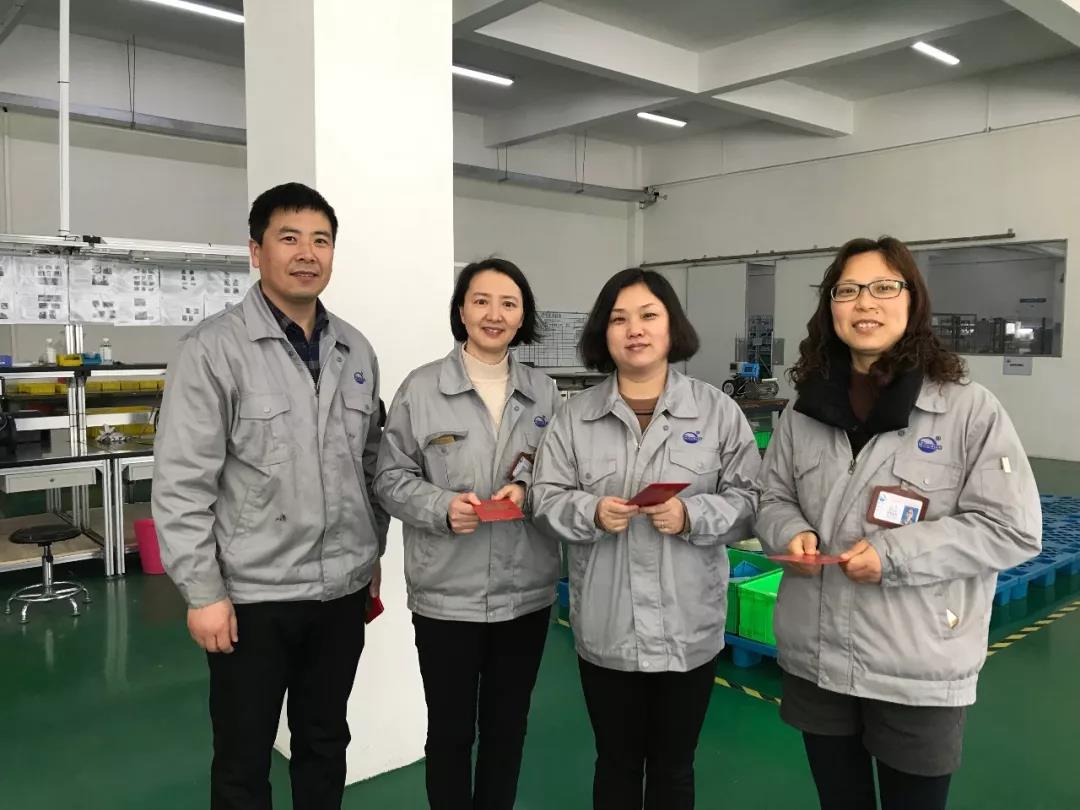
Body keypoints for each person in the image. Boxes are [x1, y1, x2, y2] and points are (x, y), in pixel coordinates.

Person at [756, 236, 1042, 810]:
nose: (865, 302)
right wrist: (789, 532)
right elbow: (772, 497)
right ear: (830, 308)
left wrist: (894, 556)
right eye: (848, 290)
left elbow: (1012, 528)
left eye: (884, 287)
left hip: (916, 666)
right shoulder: (805, 410)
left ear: (913, 301)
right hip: (818, 658)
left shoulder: (968, 410)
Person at [152, 182, 389, 810]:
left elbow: (371, 466)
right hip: (252, 597)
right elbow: (181, 483)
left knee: (325, 742)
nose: (307, 253)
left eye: (321, 240)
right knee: (243, 757)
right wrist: (203, 594)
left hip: (340, 593)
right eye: (289, 238)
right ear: (256, 252)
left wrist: (371, 555)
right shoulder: (213, 350)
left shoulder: (356, 350)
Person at [530, 268, 760, 810]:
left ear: (671, 326)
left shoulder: (717, 412)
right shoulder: (574, 417)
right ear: (603, 333)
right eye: (619, 318)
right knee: (615, 764)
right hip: (608, 629)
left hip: (688, 628)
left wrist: (691, 515)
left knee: (674, 769)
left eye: (648, 315)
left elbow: (753, 501)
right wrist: (589, 511)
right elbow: (543, 500)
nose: (634, 329)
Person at [373, 258, 560, 810]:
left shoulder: (545, 393)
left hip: (526, 594)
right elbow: (388, 477)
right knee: (450, 733)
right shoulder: (422, 388)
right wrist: (440, 507)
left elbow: (564, 476)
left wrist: (527, 489)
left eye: (508, 304)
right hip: (447, 597)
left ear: (522, 316)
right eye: (481, 301)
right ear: (461, 310)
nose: (494, 314)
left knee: (508, 730)